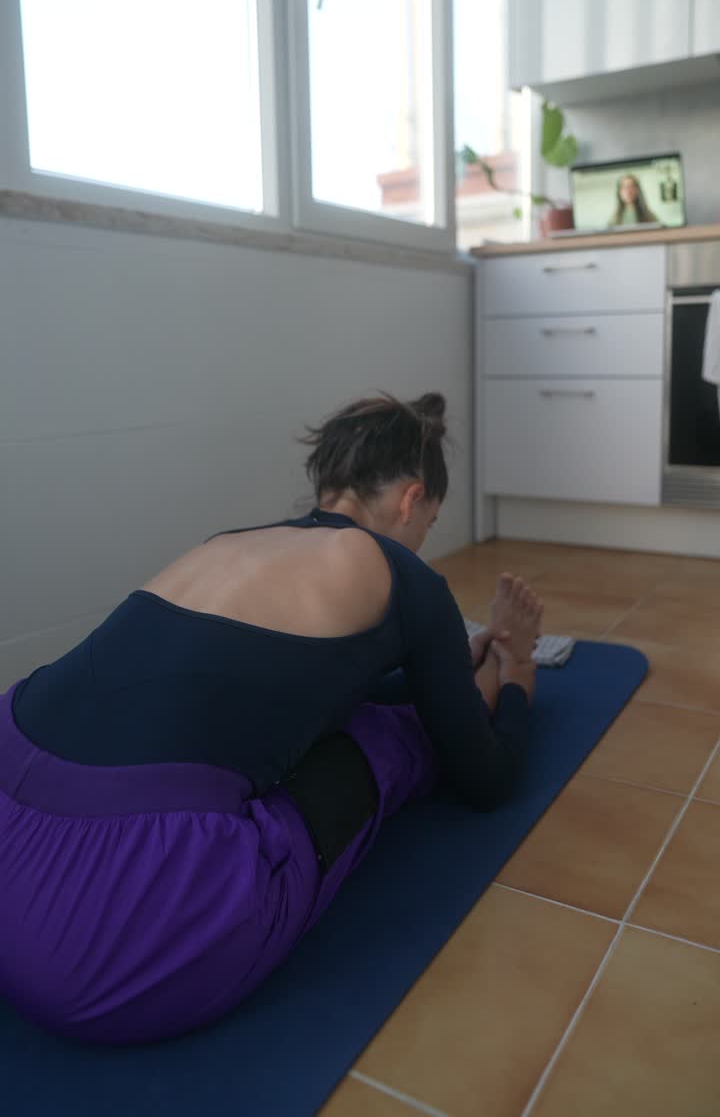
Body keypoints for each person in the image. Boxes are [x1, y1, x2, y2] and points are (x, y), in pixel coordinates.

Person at [0, 392, 542, 1046]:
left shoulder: (228, 544)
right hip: (110, 929)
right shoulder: (404, 575)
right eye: (430, 518)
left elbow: (305, 685)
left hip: (11, 795)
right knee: (387, 739)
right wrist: (516, 674)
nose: (424, 535)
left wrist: (455, 661)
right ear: (411, 499)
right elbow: (486, 780)